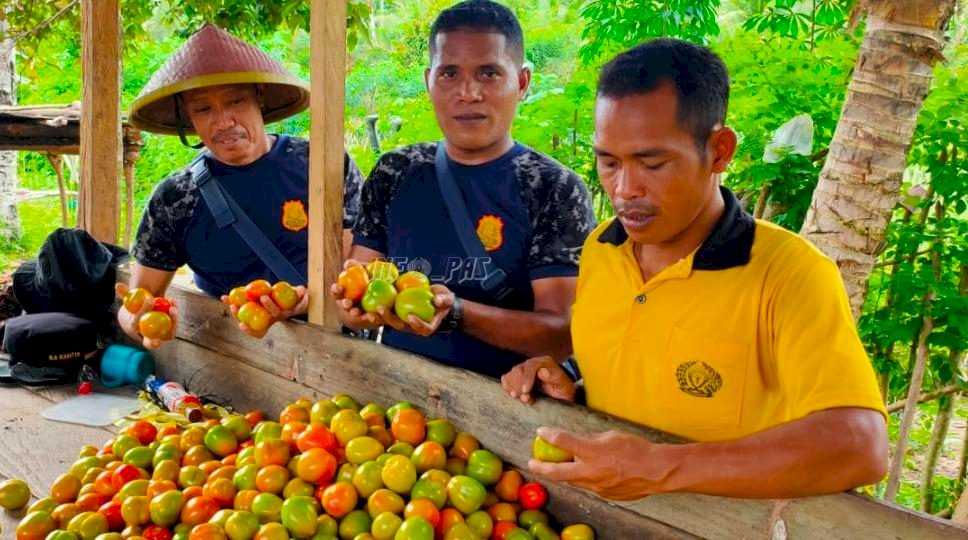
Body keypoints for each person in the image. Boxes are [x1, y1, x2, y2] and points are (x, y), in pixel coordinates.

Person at [502, 38, 888, 500]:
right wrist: (573, 387)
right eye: (608, 162)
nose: (624, 189)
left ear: (720, 151)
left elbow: (861, 446)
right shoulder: (602, 251)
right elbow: (635, 372)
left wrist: (659, 467)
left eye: (653, 163)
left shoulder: (789, 274)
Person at [333, 0, 596, 379]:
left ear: (522, 82)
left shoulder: (552, 188)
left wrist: (456, 313)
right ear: (428, 81)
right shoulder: (395, 172)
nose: (468, 92)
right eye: (449, 74)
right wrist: (355, 306)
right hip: (392, 406)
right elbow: (357, 285)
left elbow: (560, 333)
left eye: (489, 73)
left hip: (502, 410)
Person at [120, 24, 363, 348]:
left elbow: (356, 275)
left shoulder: (325, 165)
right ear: (188, 119)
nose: (223, 122)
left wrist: (308, 302)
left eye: (236, 102)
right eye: (203, 109)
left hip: (334, 349)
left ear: (259, 99)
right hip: (235, 360)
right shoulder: (175, 198)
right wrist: (140, 322)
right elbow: (139, 300)